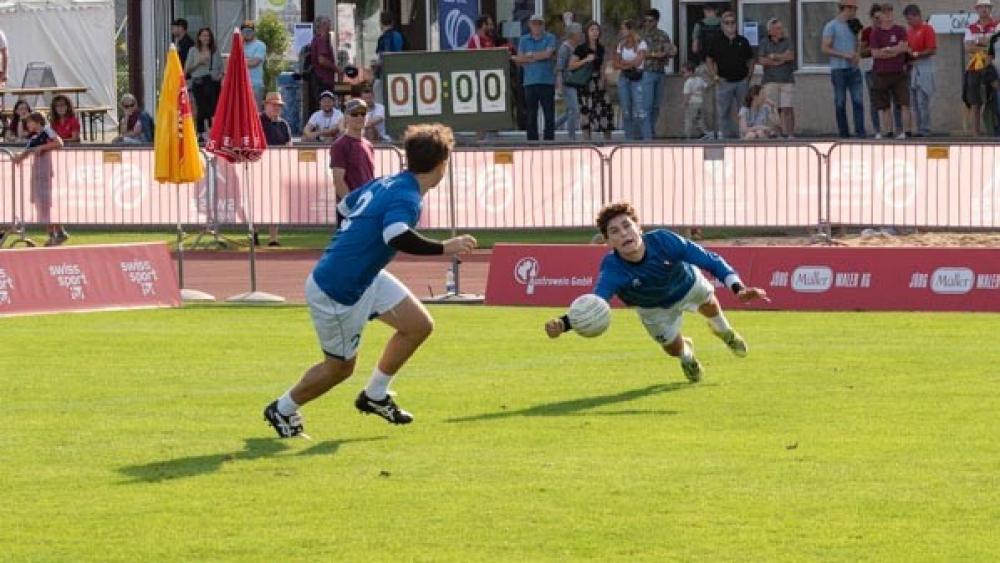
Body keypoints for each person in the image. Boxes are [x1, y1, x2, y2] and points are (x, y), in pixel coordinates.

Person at [263, 123, 478, 438]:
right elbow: (396, 235)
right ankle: (282, 409)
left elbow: (346, 205)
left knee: (418, 325)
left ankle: (375, 395)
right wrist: (446, 247)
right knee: (339, 368)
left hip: (364, 276)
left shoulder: (388, 183)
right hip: (338, 289)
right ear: (442, 164)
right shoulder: (407, 195)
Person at [544, 202, 769, 382]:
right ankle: (687, 356)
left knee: (708, 302)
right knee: (672, 349)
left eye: (627, 226)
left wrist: (738, 288)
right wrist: (562, 325)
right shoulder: (612, 268)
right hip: (652, 308)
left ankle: (726, 332)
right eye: (614, 231)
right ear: (608, 242)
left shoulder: (664, 240)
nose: (623, 234)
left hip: (687, 284)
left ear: (639, 229)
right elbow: (596, 304)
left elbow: (711, 261)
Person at [13, 112, 66, 246]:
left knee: (44, 205)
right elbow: (23, 155)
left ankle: (55, 235)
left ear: (38, 121)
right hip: (36, 174)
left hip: (44, 173)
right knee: (41, 205)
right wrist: (14, 158)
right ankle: (58, 233)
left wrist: (43, 147)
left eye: (30, 122)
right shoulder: (34, 138)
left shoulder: (47, 131)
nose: (28, 125)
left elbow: (59, 143)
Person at [705, 12, 754, 140]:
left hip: (741, 82)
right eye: (727, 23)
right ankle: (725, 139)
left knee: (744, 111)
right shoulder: (716, 41)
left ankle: (744, 137)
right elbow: (709, 60)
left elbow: (751, 60)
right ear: (722, 25)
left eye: (732, 22)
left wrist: (748, 77)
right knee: (723, 112)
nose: (730, 25)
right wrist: (714, 76)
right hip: (723, 82)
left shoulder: (743, 41)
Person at [822, 0, 867, 138]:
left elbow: (860, 44)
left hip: (853, 69)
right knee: (840, 102)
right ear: (844, 8)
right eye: (852, 9)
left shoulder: (854, 24)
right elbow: (825, 48)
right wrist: (843, 55)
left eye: (855, 9)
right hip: (838, 69)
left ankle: (860, 133)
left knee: (858, 101)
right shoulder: (832, 26)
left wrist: (858, 53)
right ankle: (844, 133)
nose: (854, 12)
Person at [869, 3, 911, 140]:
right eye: (885, 13)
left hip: (898, 72)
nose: (888, 15)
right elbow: (875, 54)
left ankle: (907, 131)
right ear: (880, 15)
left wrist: (889, 51)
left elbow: (904, 47)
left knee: (904, 103)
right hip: (881, 73)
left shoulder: (900, 30)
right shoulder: (875, 33)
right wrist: (894, 51)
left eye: (890, 12)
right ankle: (889, 132)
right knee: (884, 106)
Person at [513, 14, 557, 141]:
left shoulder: (550, 37)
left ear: (542, 25)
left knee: (549, 114)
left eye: (539, 24)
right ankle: (532, 142)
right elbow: (519, 60)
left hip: (547, 82)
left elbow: (548, 54)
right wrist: (537, 56)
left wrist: (530, 55)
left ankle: (549, 141)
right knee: (531, 115)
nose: (537, 26)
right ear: (530, 25)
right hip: (530, 82)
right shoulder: (524, 40)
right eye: (534, 24)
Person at [860, 4, 902, 136]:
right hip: (871, 70)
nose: (879, 20)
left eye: (881, 17)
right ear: (872, 17)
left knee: (895, 100)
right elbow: (861, 52)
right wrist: (875, 49)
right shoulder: (867, 32)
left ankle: (898, 130)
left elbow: (898, 48)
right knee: (875, 101)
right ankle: (878, 130)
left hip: (890, 68)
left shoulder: (890, 30)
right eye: (876, 18)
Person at [571, 21, 613, 141]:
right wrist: (585, 60)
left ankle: (608, 141)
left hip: (599, 82)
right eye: (592, 30)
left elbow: (604, 64)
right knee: (586, 111)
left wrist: (604, 77)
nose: (595, 32)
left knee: (605, 109)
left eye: (597, 30)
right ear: (587, 32)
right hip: (585, 83)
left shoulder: (601, 48)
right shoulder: (581, 48)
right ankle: (587, 141)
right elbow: (572, 65)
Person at [639, 9, 676, 137]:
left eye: (651, 21)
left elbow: (670, 51)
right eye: (646, 21)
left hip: (660, 72)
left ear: (656, 21)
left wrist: (669, 52)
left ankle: (651, 132)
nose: (648, 23)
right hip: (647, 72)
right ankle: (647, 137)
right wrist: (656, 54)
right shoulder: (641, 36)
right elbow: (639, 54)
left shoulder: (663, 35)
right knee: (647, 106)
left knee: (656, 106)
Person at [330, 98, 375, 200]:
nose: (359, 117)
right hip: (351, 209)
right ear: (346, 118)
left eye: (363, 113)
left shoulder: (369, 145)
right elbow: (338, 180)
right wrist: (352, 205)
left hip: (367, 205)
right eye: (355, 114)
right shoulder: (340, 145)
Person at [758, 18, 795, 137]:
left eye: (781, 27)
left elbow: (790, 56)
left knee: (787, 107)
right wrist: (779, 60)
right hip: (770, 80)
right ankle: (777, 134)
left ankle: (790, 134)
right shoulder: (764, 42)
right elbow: (762, 60)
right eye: (778, 28)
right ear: (770, 31)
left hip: (786, 79)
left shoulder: (787, 41)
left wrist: (774, 56)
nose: (781, 30)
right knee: (772, 108)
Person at [964, 0, 997, 136]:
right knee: (974, 101)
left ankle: (995, 131)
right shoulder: (970, 27)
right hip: (975, 67)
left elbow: (996, 45)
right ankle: (975, 133)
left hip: (994, 66)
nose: (984, 9)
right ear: (976, 9)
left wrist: (976, 43)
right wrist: (985, 41)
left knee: (996, 98)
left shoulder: (997, 25)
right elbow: (967, 48)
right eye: (981, 7)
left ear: (990, 9)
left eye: (987, 7)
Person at [613, 20, 649, 140]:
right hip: (624, 77)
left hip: (637, 77)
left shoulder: (641, 44)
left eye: (623, 29)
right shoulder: (621, 45)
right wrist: (629, 64)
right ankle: (629, 139)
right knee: (626, 110)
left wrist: (625, 63)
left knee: (640, 110)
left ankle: (646, 139)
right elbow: (616, 64)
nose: (621, 31)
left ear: (630, 30)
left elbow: (639, 62)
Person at [184, 27, 222, 136]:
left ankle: (212, 131)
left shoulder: (215, 51)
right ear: (199, 37)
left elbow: (221, 67)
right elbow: (186, 70)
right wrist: (198, 62)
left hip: (213, 82)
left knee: (212, 108)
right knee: (201, 107)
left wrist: (219, 76)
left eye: (208, 36)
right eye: (203, 35)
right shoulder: (193, 50)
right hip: (199, 81)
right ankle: (201, 132)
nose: (206, 38)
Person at [904, 4, 936, 137]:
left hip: (924, 65)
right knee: (914, 101)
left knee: (923, 99)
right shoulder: (909, 31)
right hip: (913, 67)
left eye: (910, 19)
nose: (908, 22)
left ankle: (925, 129)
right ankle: (919, 128)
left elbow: (932, 49)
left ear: (917, 15)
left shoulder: (927, 29)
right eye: (907, 19)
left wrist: (916, 54)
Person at [555, 22, 584, 140]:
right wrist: (559, 85)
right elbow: (560, 68)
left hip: (576, 82)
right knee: (574, 110)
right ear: (573, 34)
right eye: (579, 32)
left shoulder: (578, 47)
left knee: (570, 111)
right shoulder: (564, 48)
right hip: (567, 83)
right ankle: (572, 138)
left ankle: (551, 126)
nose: (581, 34)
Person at [310, 16, 339, 114]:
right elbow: (321, 60)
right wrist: (337, 69)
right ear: (322, 26)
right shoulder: (321, 40)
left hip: (320, 79)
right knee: (326, 106)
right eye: (328, 24)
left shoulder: (317, 39)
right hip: (323, 80)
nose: (330, 26)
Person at [374, 11, 405, 103]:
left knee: (380, 99)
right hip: (399, 73)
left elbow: (381, 58)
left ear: (381, 23)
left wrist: (375, 69)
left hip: (384, 74)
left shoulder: (382, 39)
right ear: (392, 22)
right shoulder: (399, 36)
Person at [241, 20, 267, 108]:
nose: (246, 33)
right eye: (244, 31)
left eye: (249, 31)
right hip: (241, 85)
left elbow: (254, 62)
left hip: (255, 85)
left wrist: (239, 61)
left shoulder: (260, 45)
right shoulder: (240, 46)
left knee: (256, 112)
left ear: (254, 32)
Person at [682, 61, 708, 139]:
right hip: (700, 102)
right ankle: (704, 133)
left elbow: (687, 95)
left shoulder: (687, 82)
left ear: (690, 72)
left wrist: (684, 103)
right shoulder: (699, 79)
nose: (682, 74)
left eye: (684, 72)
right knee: (699, 119)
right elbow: (706, 86)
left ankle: (687, 136)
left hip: (691, 103)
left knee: (689, 120)